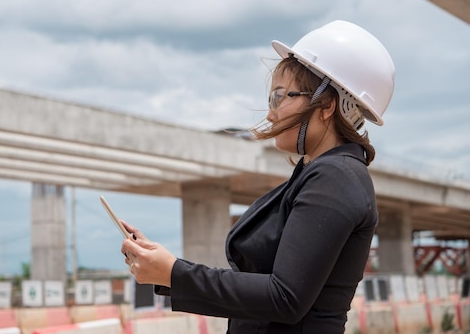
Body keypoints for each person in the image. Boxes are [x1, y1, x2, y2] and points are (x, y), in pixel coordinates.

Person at [120, 20, 396, 334]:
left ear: (327, 105)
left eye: (280, 97)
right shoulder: (322, 174)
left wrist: (175, 274)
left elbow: (285, 298)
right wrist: (168, 274)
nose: (270, 114)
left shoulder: (335, 178)